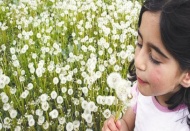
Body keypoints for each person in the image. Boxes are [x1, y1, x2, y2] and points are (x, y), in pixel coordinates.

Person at [102, 0, 190, 130]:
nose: (138, 61)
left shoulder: (183, 124)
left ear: (187, 75)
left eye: (155, 58)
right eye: (139, 43)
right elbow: (127, 123)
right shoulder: (141, 92)